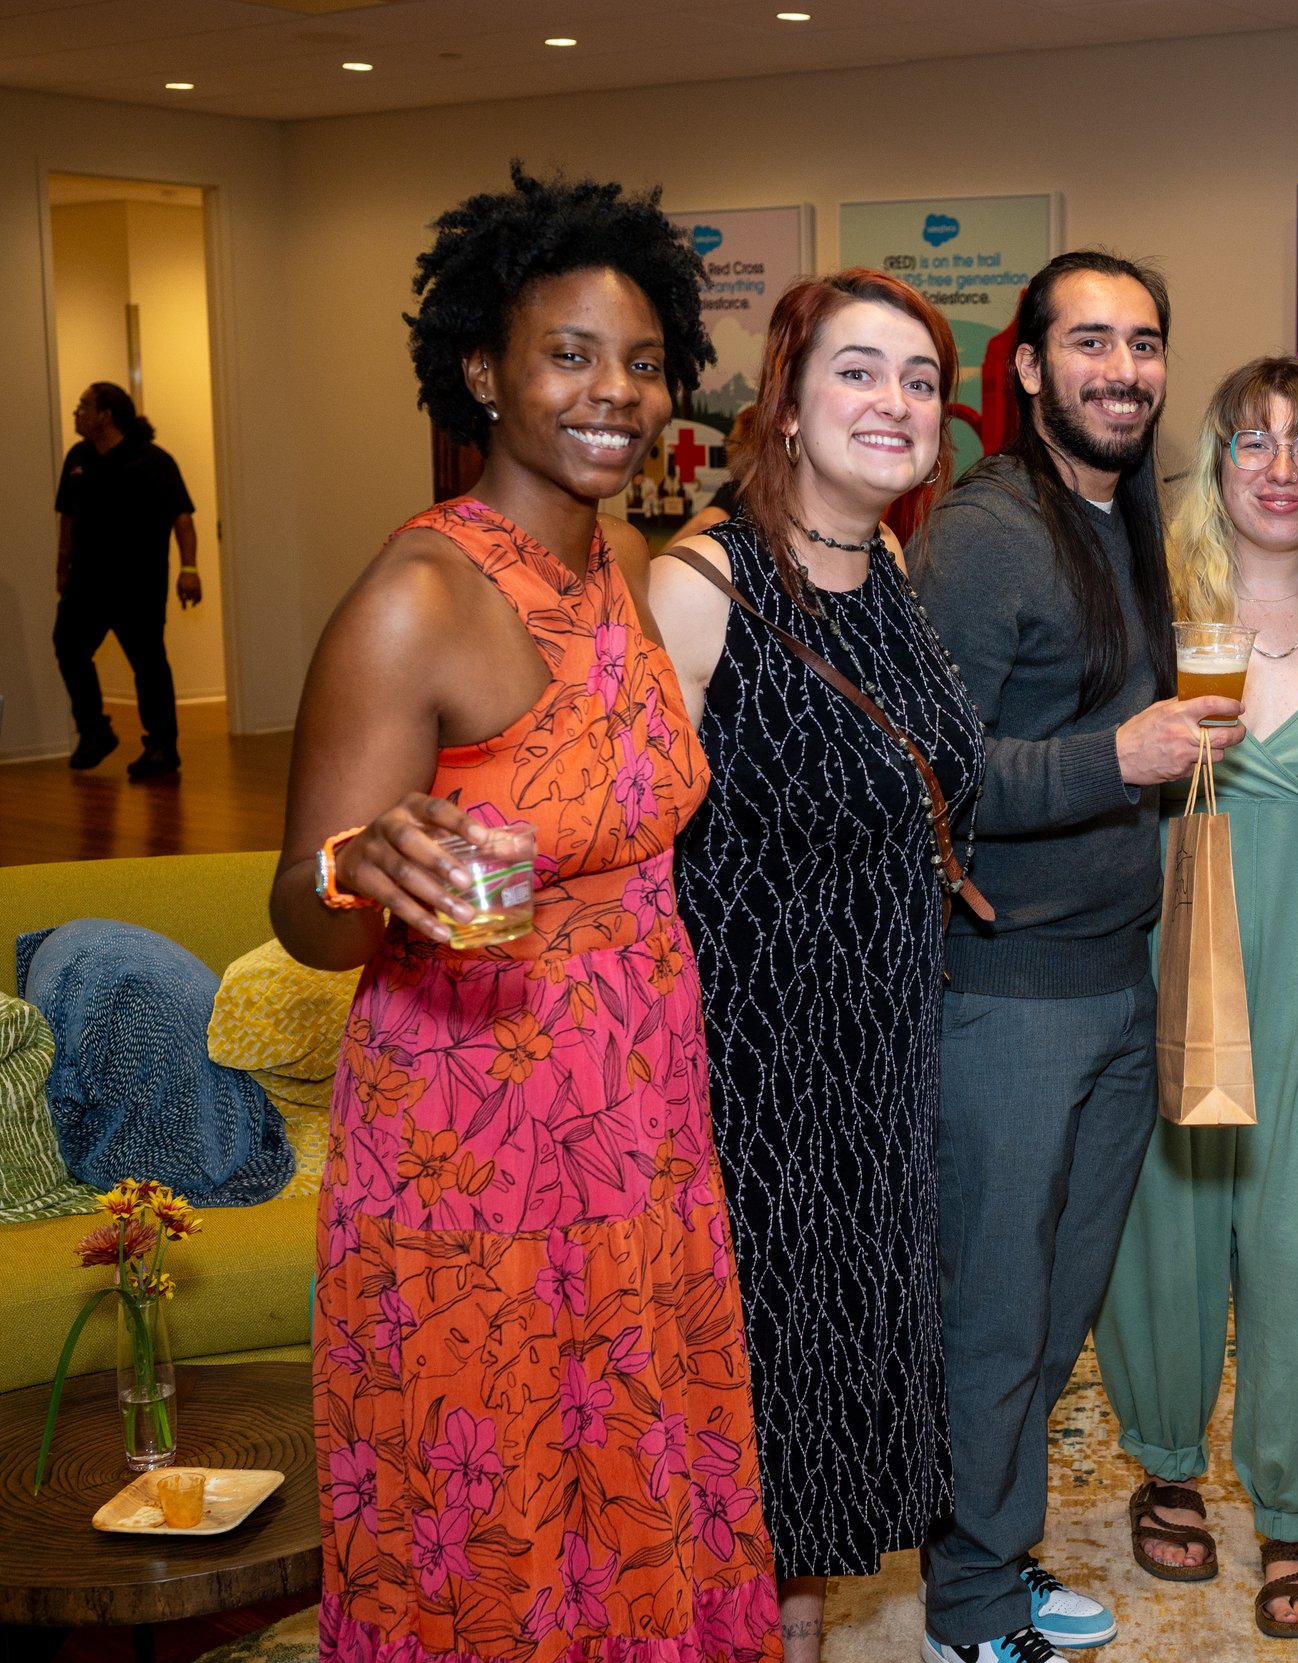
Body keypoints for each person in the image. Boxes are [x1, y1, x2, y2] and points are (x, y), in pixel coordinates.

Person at [272, 168, 781, 1663]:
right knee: (501, 1494)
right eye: (568, 353)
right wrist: (359, 868)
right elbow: (306, 907)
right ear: (483, 371)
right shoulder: (415, 598)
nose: (612, 392)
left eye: (638, 359)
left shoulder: (615, 558)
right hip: (473, 1133)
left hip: (636, 1109)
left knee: (633, 1457)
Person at [911, 251, 1243, 1663]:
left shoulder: (1128, 519)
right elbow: (927, 775)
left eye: (1146, 342)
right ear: (1031, 369)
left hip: (1114, 975)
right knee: (994, 1322)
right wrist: (1120, 755)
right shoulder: (988, 533)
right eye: (1090, 342)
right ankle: (968, 1611)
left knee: (1051, 1318)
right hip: (1003, 997)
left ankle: (991, 1547)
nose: (1124, 368)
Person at [650, 272, 983, 1657]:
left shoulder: (889, 568)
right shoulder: (698, 579)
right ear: (783, 403)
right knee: (763, 1379)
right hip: (753, 1069)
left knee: (841, 1369)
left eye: (917, 377)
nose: (893, 402)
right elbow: (628, 849)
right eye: (858, 371)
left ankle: (794, 1621)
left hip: (879, 1045)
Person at [1093, 357, 1298, 1641]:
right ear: (1210, 465)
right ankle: (1166, 1459)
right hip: (1171, 961)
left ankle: (1293, 1508)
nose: (1282, 467)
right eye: (1252, 441)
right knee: (1162, 1228)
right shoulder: (1139, 609)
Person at [53, 380, 200, 779]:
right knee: (67, 645)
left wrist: (189, 569)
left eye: (84, 406)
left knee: (148, 663)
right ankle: (95, 731)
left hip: (138, 585)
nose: (76, 413)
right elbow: (67, 515)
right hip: (86, 582)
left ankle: (162, 747)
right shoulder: (78, 458)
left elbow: (182, 519)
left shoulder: (152, 461)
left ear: (106, 415)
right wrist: (62, 564)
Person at [672, 402, 759, 544]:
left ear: (749, 448)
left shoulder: (737, 491)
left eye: (731, 442)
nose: (727, 450)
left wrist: (654, 564)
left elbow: (705, 523)